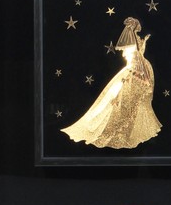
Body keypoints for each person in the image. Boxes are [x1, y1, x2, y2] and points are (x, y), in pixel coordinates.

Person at [61, 17, 162, 149]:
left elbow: (139, 54)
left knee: (134, 101)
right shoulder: (131, 46)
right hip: (133, 73)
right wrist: (138, 71)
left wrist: (144, 44)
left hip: (138, 72)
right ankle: (116, 128)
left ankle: (130, 128)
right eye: (136, 26)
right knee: (123, 99)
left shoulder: (136, 40)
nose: (137, 27)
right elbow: (132, 59)